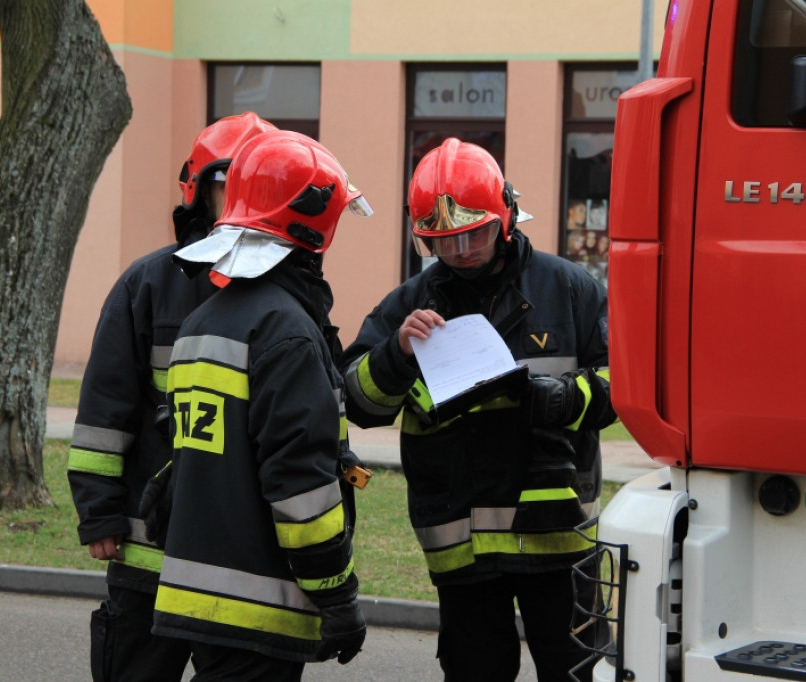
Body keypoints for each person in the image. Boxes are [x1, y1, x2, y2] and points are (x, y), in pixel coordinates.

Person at [340, 137, 617, 682]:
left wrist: (556, 398)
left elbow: (622, 386)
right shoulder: (409, 304)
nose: (464, 249)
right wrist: (396, 355)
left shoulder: (570, 288)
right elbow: (357, 402)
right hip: (460, 546)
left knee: (575, 673)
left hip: (556, 539)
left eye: (477, 232)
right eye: (446, 241)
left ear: (506, 217)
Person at [151, 129, 372, 681]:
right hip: (258, 604)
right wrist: (336, 594)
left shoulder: (205, 319)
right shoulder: (287, 332)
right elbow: (300, 485)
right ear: (314, 223)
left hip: (201, 595)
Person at [66, 110, 275, 682]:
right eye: (224, 185)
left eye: (254, 187)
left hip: (238, 547)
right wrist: (100, 511)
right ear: (198, 191)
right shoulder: (149, 284)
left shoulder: (285, 291)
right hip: (148, 545)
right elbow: (104, 411)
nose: (238, 201)